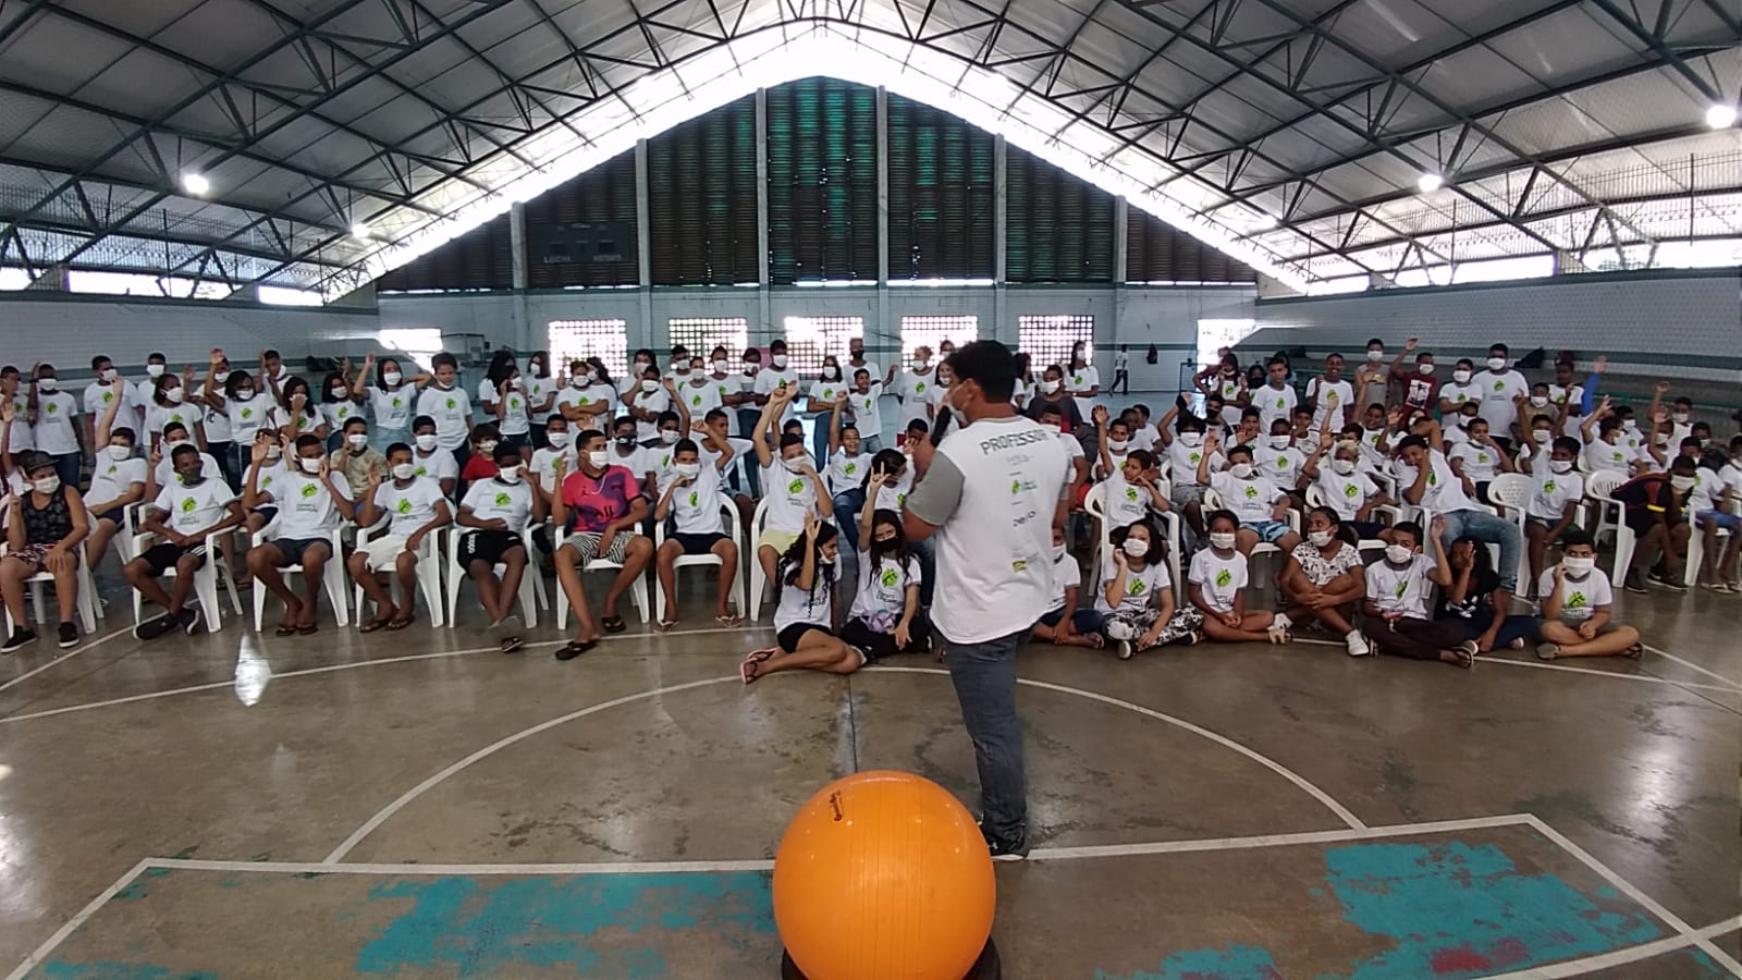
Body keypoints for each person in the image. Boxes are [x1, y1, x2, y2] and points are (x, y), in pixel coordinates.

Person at [901, 340, 1070, 858]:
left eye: (951, 381)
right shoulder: (1050, 442)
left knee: (993, 730)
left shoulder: (959, 453)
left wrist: (926, 468)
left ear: (970, 388)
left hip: (981, 612)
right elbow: (1059, 520)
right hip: (1030, 599)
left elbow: (914, 526)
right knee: (998, 716)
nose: (947, 390)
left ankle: (1004, 829)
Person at [548, 428, 655, 658]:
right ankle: (587, 627)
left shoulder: (621, 473)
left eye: (604, 447)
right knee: (561, 556)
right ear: (583, 453)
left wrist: (614, 526)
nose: (603, 452)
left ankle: (610, 602)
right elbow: (559, 519)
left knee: (644, 546)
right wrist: (558, 482)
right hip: (585, 534)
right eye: (597, 448)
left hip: (617, 532)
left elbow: (641, 509)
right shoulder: (572, 481)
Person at [127, 443, 245, 639]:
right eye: (186, 465)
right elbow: (151, 521)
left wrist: (204, 533)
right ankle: (181, 613)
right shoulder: (171, 489)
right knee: (132, 569)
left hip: (205, 544)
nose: (192, 468)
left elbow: (238, 514)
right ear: (177, 469)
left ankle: (171, 617)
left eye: (195, 463)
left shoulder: (216, 484)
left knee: (185, 563)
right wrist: (170, 533)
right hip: (176, 542)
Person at [243, 434, 355, 635]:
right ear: (298, 458)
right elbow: (250, 503)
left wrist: (327, 482)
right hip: (288, 538)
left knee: (311, 558)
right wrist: (256, 464)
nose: (316, 459)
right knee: (255, 557)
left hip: (320, 537)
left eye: (319, 454)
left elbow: (348, 513)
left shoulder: (337, 477)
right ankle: (291, 602)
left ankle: (310, 602)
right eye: (309, 456)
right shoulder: (287, 479)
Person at [1394, 431, 1522, 596]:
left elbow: (1433, 425)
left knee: (1511, 530)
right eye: (1406, 456)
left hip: (1468, 510)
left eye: (1415, 454)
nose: (1411, 459)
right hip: (1442, 515)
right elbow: (1413, 498)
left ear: (1425, 451)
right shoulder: (1404, 468)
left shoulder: (1437, 457)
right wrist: (1423, 469)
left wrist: (1426, 460)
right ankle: (1453, 587)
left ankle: (1505, 587)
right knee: (1451, 538)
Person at [740, 512, 862, 681]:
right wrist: (811, 544)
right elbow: (806, 584)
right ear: (817, 547)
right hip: (793, 626)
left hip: (820, 627)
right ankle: (767, 666)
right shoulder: (791, 565)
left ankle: (784, 655)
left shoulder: (834, 563)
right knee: (837, 651)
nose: (835, 552)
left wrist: (836, 632)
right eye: (831, 547)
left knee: (852, 661)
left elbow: (834, 597)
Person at [349, 443, 452, 631]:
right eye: (399, 461)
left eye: (409, 461)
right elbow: (366, 522)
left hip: (424, 535)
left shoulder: (427, 484)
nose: (405, 465)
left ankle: (408, 601)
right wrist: (373, 489)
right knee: (356, 562)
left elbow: (445, 515)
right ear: (389, 464)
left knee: (404, 561)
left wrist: (419, 532)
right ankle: (386, 604)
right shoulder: (385, 488)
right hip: (395, 536)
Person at [750, 384, 833, 605]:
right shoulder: (774, 468)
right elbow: (758, 439)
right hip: (778, 530)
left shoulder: (812, 468)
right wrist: (772, 404)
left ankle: (811, 597)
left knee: (817, 558)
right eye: (792, 455)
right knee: (766, 550)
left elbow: (827, 511)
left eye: (801, 453)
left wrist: (815, 478)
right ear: (782, 457)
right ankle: (784, 596)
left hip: (807, 532)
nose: (798, 457)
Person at [1, 451, 90, 652]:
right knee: (6, 567)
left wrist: (61, 546)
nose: (48, 480)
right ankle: (22, 627)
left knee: (62, 562)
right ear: (29, 480)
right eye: (41, 477)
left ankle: (67, 623)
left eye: (51, 474)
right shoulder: (23, 500)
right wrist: (14, 514)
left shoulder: (68, 492)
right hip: (33, 548)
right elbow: (16, 545)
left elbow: (82, 527)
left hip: (64, 543)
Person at [456, 442, 541, 650]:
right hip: (478, 533)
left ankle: (500, 619)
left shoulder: (526, 488)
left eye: (515, 463)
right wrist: (483, 523)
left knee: (518, 555)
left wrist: (532, 485)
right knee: (479, 567)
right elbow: (461, 515)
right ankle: (503, 625)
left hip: (509, 535)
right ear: (497, 465)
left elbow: (539, 516)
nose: (512, 468)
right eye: (506, 464)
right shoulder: (481, 485)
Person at [1359, 518, 1476, 668]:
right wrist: (1381, 612)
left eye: (1405, 544)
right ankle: (1441, 654)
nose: (1397, 547)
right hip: (1387, 622)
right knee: (1371, 627)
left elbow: (1445, 580)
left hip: (1415, 622)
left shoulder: (1422, 562)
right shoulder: (1375, 569)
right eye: (1394, 542)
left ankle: (1390, 645)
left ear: (1417, 550)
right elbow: (1368, 605)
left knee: (1455, 631)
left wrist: (1436, 540)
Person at [652, 434, 741, 628]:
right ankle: (671, 608)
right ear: (675, 461)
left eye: (693, 460)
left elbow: (729, 452)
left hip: (712, 534)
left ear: (698, 461)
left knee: (731, 550)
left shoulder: (709, 473)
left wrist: (708, 430)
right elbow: (659, 516)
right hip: (684, 535)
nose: (689, 464)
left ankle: (722, 608)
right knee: (663, 553)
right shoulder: (670, 483)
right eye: (684, 460)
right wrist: (672, 488)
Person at [1096, 520, 1202, 658]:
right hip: (1114, 616)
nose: (1135, 542)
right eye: (1131, 537)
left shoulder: (1157, 565)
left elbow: (1168, 605)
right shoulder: (1112, 563)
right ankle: (1174, 635)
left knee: (1195, 614)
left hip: (1142, 615)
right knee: (1116, 629)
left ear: (1151, 544)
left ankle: (1138, 645)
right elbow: (1114, 602)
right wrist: (1123, 566)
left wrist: (1154, 633)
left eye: (1142, 539)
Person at [838, 501, 930, 659]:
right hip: (865, 618)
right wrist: (873, 490)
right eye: (880, 536)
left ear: (898, 532)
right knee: (849, 633)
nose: (886, 538)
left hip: (894, 618)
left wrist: (904, 624)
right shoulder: (867, 557)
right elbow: (865, 526)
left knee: (922, 625)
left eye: (889, 533)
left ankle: (873, 649)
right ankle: (909, 644)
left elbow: (911, 600)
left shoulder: (911, 563)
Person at [1535, 529, 1642, 660]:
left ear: (1594, 557)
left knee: (1630, 634)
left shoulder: (1599, 576)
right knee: (1549, 630)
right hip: (1560, 624)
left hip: (1587, 623)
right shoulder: (1549, 575)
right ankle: (1608, 647)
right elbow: (1551, 615)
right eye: (1572, 554)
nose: (1579, 559)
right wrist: (1559, 584)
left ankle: (1567, 651)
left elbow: (1604, 612)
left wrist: (1593, 625)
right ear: (1563, 555)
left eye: (1585, 554)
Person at [1189, 510, 1286, 643]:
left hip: (1228, 611)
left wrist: (1237, 615)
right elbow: (1193, 595)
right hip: (1207, 613)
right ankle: (1262, 637)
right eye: (1217, 530)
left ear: (1235, 532)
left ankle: (1222, 633)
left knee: (1268, 617)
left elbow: (1238, 592)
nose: (1222, 535)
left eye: (1227, 531)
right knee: (1211, 626)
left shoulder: (1240, 559)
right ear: (1209, 532)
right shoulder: (1200, 558)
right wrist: (1218, 615)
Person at [1280, 507, 1367, 654]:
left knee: (1345, 580)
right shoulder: (1302, 549)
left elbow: (1360, 588)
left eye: (1319, 524)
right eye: (1310, 524)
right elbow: (1285, 580)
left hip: (1338, 610)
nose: (1313, 529)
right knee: (1297, 578)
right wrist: (1296, 596)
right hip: (1306, 609)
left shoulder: (1349, 551)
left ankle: (1290, 616)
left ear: (1333, 529)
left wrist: (1334, 599)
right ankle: (1350, 633)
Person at [81, 379, 147, 568]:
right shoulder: (104, 455)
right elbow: (103, 425)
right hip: (87, 506)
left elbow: (134, 493)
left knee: (102, 529)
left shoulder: (137, 463)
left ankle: (86, 574)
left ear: (131, 447)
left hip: (114, 510)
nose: (117, 447)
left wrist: (103, 507)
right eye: (115, 443)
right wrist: (116, 396)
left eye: (123, 445)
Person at [1437, 534, 1540, 654]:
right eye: (1455, 554)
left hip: (1478, 622)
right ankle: (1501, 640)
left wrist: (1491, 632)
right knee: (1449, 632)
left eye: (1463, 555)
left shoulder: (1489, 576)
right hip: (1453, 622)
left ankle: (1477, 643)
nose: (1457, 559)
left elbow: (1500, 611)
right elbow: (1457, 599)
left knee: (1530, 622)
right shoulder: (1447, 574)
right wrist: (1466, 570)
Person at [1200, 435, 1301, 555]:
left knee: (1295, 544)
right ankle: (1243, 573)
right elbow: (1202, 478)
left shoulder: (1264, 481)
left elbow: (1283, 498)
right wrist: (1206, 455)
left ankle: (1286, 574)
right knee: (1245, 539)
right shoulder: (1226, 478)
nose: (1239, 466)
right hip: (1243, 523)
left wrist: (1281, 508)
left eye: (1243, 462)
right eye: (1234, 463)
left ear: (1252, 462)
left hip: (1268, 522)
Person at [1612, 457, 1696, 593]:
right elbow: (1660, 520)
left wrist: (1676, 500)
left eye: (1689, 476)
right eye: (1680, 475)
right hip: (1627, 509)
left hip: (1651, 512)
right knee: (1657, 529)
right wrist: (1670, 555)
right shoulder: (1656, 484)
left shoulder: (1687, 487)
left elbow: (1675, 517)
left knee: (1684, 530)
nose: (1685, 479)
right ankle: (1633, 570)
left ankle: (1659, 571)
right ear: (1670, 472)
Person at [1522, 436, 1584, 597]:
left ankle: (1575, 582)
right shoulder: (1542, 467)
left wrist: (1554, 534)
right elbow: (1528, 436)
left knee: (1581, 539)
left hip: (1559, 521)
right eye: (1556, 454)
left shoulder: (1575, 480)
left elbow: (1569, 514)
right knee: (1539, 533)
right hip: (1535, 516)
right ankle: (1537, 583)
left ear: (1573, 458)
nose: (1558, 458)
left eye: (1564, 455)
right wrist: (1520, 409)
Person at [1032, 524, 1103, 649]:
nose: (1052, 543)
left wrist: (1064, 622)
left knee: (1095, 617)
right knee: (1019, 620)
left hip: (1059, 612)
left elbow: (1072, 598)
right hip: (1035, 613)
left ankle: (1045, 634)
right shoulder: (1033, 562)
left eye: (1057, 538)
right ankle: (1072, 639)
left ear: (1064, 540)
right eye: (1047, 539)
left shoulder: (1070, 562)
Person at [29, 364, 85, 491]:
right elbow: (32, 409)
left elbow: (76, 425)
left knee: (71, 486)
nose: (48, 380)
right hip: (45, 452)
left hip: (69, 450)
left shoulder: (67, 398)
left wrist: (83, 449)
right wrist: (33, 381)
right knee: (50, 488)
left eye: (51, 376)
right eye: (44, 377)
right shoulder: (34, 399)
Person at [415, 352, 473, 470]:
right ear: (435, 374)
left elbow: (468, 419)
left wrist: (474, 441)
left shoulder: (461, 394)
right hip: (439, 444)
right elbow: (422, 424)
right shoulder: (427, 396)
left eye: (451, 373)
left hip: (461, 444)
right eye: (442, 374)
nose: (447, 377)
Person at [1473, 343, 1529, 450]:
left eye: (1500, 357)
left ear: (1506, 359)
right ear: (1487, 358)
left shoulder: (1517, 377)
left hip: (1508, 433)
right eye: (1493, 356)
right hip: (1483, 431)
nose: (1496, 359)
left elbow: (1524, 400)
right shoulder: (1478, 378)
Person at [328, 416, 385, 498]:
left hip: (366, 497)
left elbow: (378, 486)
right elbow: (337, 479)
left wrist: (357, 501)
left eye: (363, 433)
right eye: (354, 433)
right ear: (344, 435)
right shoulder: (337, 455)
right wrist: (344, 456)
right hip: (343, 496)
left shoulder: (377, 456)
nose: (359, 436)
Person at [407, 415, 460, 498]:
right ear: (414, 435)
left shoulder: (445, 456)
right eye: (423, 434)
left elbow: (447, 489)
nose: (428, 437)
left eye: (432, 433)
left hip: (439, 499)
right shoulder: (407, 453)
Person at [1304, 353, 1353, 431]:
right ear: (1326, 365)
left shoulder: (1346, 386)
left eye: (1338, 364)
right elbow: (1310, 406)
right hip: (1316, 427)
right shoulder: (1314, 382)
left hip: (1337, 428)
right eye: (1331, 363)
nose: (1334, 367)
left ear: (1343, 367)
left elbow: (1347, 411)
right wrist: (1317, 389)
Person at [894, 345, 938, 432]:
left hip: (927, 421)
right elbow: (900, 396)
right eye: (914, 355)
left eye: (918, 355)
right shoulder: (907, 375)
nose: (915, 358)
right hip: (906, 421)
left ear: (927, 357)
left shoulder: (935, 374)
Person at [1254, 357, 1297, 432]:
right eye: (1273, 371)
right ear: (1269, 373)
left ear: (1285, 371)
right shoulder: (1262, 391)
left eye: (1280, 370)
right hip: (1266, 436)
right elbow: (1255, 415)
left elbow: (1292, 413)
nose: (1277, 374)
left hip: (1285, 436)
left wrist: (1293, 429)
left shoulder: (1290, 390)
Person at [1065, 340, 1101, 424]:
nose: (1082, 351)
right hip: (1071, 405)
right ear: (1074, 352)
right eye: (1080, 349)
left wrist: (1075, 394)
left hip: (1086, 406)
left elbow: (1094, 391)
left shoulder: (1091, 370)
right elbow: (1064, 390)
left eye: (1084, 349)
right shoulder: (1067, 371)